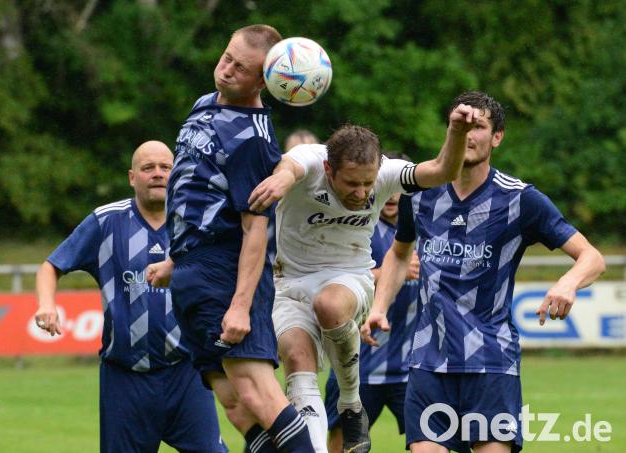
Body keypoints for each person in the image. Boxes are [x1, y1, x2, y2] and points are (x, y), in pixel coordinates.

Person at [362, 91, 606, 453]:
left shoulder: (521, 200)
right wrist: (379, 307)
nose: (469, 134)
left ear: (497, 137)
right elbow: (399, 254)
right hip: (429, 360)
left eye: (479, 126)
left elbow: (591, 257)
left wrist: (568, 283)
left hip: (491, 361)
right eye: (460, 126)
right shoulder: (419, 194)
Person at [247, 102, 485, 452]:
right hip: (290, 284)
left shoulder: (388, 172)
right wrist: (282, 178)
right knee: (298, 365)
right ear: (329, 169)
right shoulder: (311, 160)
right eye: (351, 183)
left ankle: (350, 402)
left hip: (350, 276)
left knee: (328, 305)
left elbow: (441, 171)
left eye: (367, 184)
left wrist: (456, 133)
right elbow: (291, 166)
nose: (361, 194)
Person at [147, 25, 317, 452]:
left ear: (264, 81)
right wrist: (177, 258)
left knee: (255, 389)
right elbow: (193, 187)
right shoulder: (204, 104)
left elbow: (255, 226)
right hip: (193, 268)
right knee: (233, 402)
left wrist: (241, 304)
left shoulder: (253, 139)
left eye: (240, 69)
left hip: (226, 272)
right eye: (226, 57)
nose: (225, 70)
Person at [34, 141, 226, 453]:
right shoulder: (106, 221)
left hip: (186, 373)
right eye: (148, 168)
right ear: (131, 177)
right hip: (125, 379)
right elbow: (51, 266)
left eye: (165, 167)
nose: (157, 174)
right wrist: (46, 304)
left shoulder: (197, 223)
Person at [323, 152, 421, 453]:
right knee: (343, 443)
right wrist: (388, 272)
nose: (391, 197)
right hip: (357, 364)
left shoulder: (425, 229)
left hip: (412, 367)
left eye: (397, 188)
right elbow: (327, 280)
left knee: (431, 442)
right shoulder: (350, 227)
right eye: (383, 186)